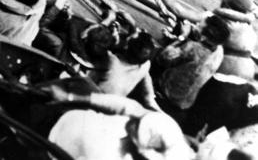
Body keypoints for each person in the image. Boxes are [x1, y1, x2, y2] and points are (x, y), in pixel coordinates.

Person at [46, 85, 194, 160]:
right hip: (70, 120)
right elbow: (127, 106)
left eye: (136, 126)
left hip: (52, 148)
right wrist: (69, 97)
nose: (134, 120)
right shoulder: (169, 132)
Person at [150, 0, 257, 81]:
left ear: (226, 4)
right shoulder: (248, 22)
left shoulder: (216, 18)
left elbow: (179, 11)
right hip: (247, 70)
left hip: (225, 70)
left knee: (186, 32)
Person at [154, 14, 230, 117]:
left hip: (166, 94)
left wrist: (182, 37)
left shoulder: (192, 48)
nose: (195, 25)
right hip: (185, 102)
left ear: (203, 37)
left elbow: (162, 58)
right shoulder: (219, 52)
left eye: (199, 25)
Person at [95, 31, 161, 111]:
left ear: (126, 46)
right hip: (114, 108)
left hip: (93, 100)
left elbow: (97, 44)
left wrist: (113, 40)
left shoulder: (111, 61)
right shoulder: (145, 65)